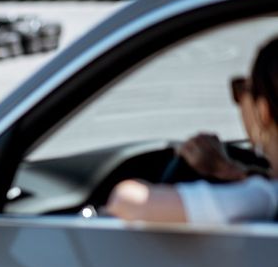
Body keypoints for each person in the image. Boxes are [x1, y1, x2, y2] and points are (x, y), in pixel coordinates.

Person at [108, 36, 278, 225]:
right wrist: (229, 170)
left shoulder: (263, 198)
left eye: (242, 89)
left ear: (264, 111)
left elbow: (129, 203)